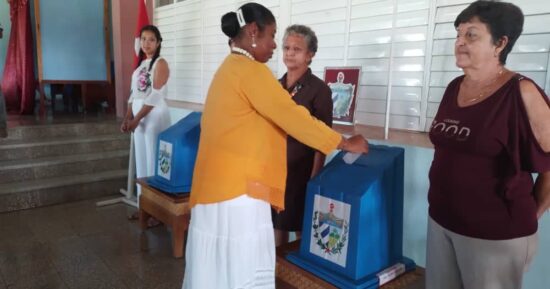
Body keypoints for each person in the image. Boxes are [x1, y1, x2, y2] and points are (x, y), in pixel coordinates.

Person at [182, 3, 369, 289]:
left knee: (218, 267)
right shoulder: (252, 71)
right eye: (272, 36)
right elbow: (293, 116)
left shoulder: (229, 67)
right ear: (253, 32)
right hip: (238, 192)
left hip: (216, 186)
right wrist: (344, 143)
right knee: (240, 265)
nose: (274, 47)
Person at [426, 1, 550, 289]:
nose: (459, 42)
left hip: (494, 234)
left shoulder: (522, 91)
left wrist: (534, 212)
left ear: (500, 43)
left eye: (471, 34)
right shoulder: (454, 87)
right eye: (458, 34)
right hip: (441, 220)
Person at [271, 24, 332, 247]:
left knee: (300, 225)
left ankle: (298, 276)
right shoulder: (275, 86)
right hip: (274, 169)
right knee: (277, 223)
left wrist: (314, 177)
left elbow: (324, 137)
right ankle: (277, 272)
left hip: (301, 171)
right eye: (286, 48)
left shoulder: (319, 89)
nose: (289, 53)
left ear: (310, 55)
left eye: (296, 49)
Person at [121, 25, 171, 225]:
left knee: (153, 162)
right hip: (139, 120)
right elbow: (134, 94)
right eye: (143, 39)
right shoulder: (141, 64)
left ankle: (158, 213)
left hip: (153, 117)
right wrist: (127, 117)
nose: (146, 43)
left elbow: (156, 94)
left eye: (151, 39)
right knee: (141, 164)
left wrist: (137, 118)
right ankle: (145, 208)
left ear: (158, 43)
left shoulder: (161, 63)